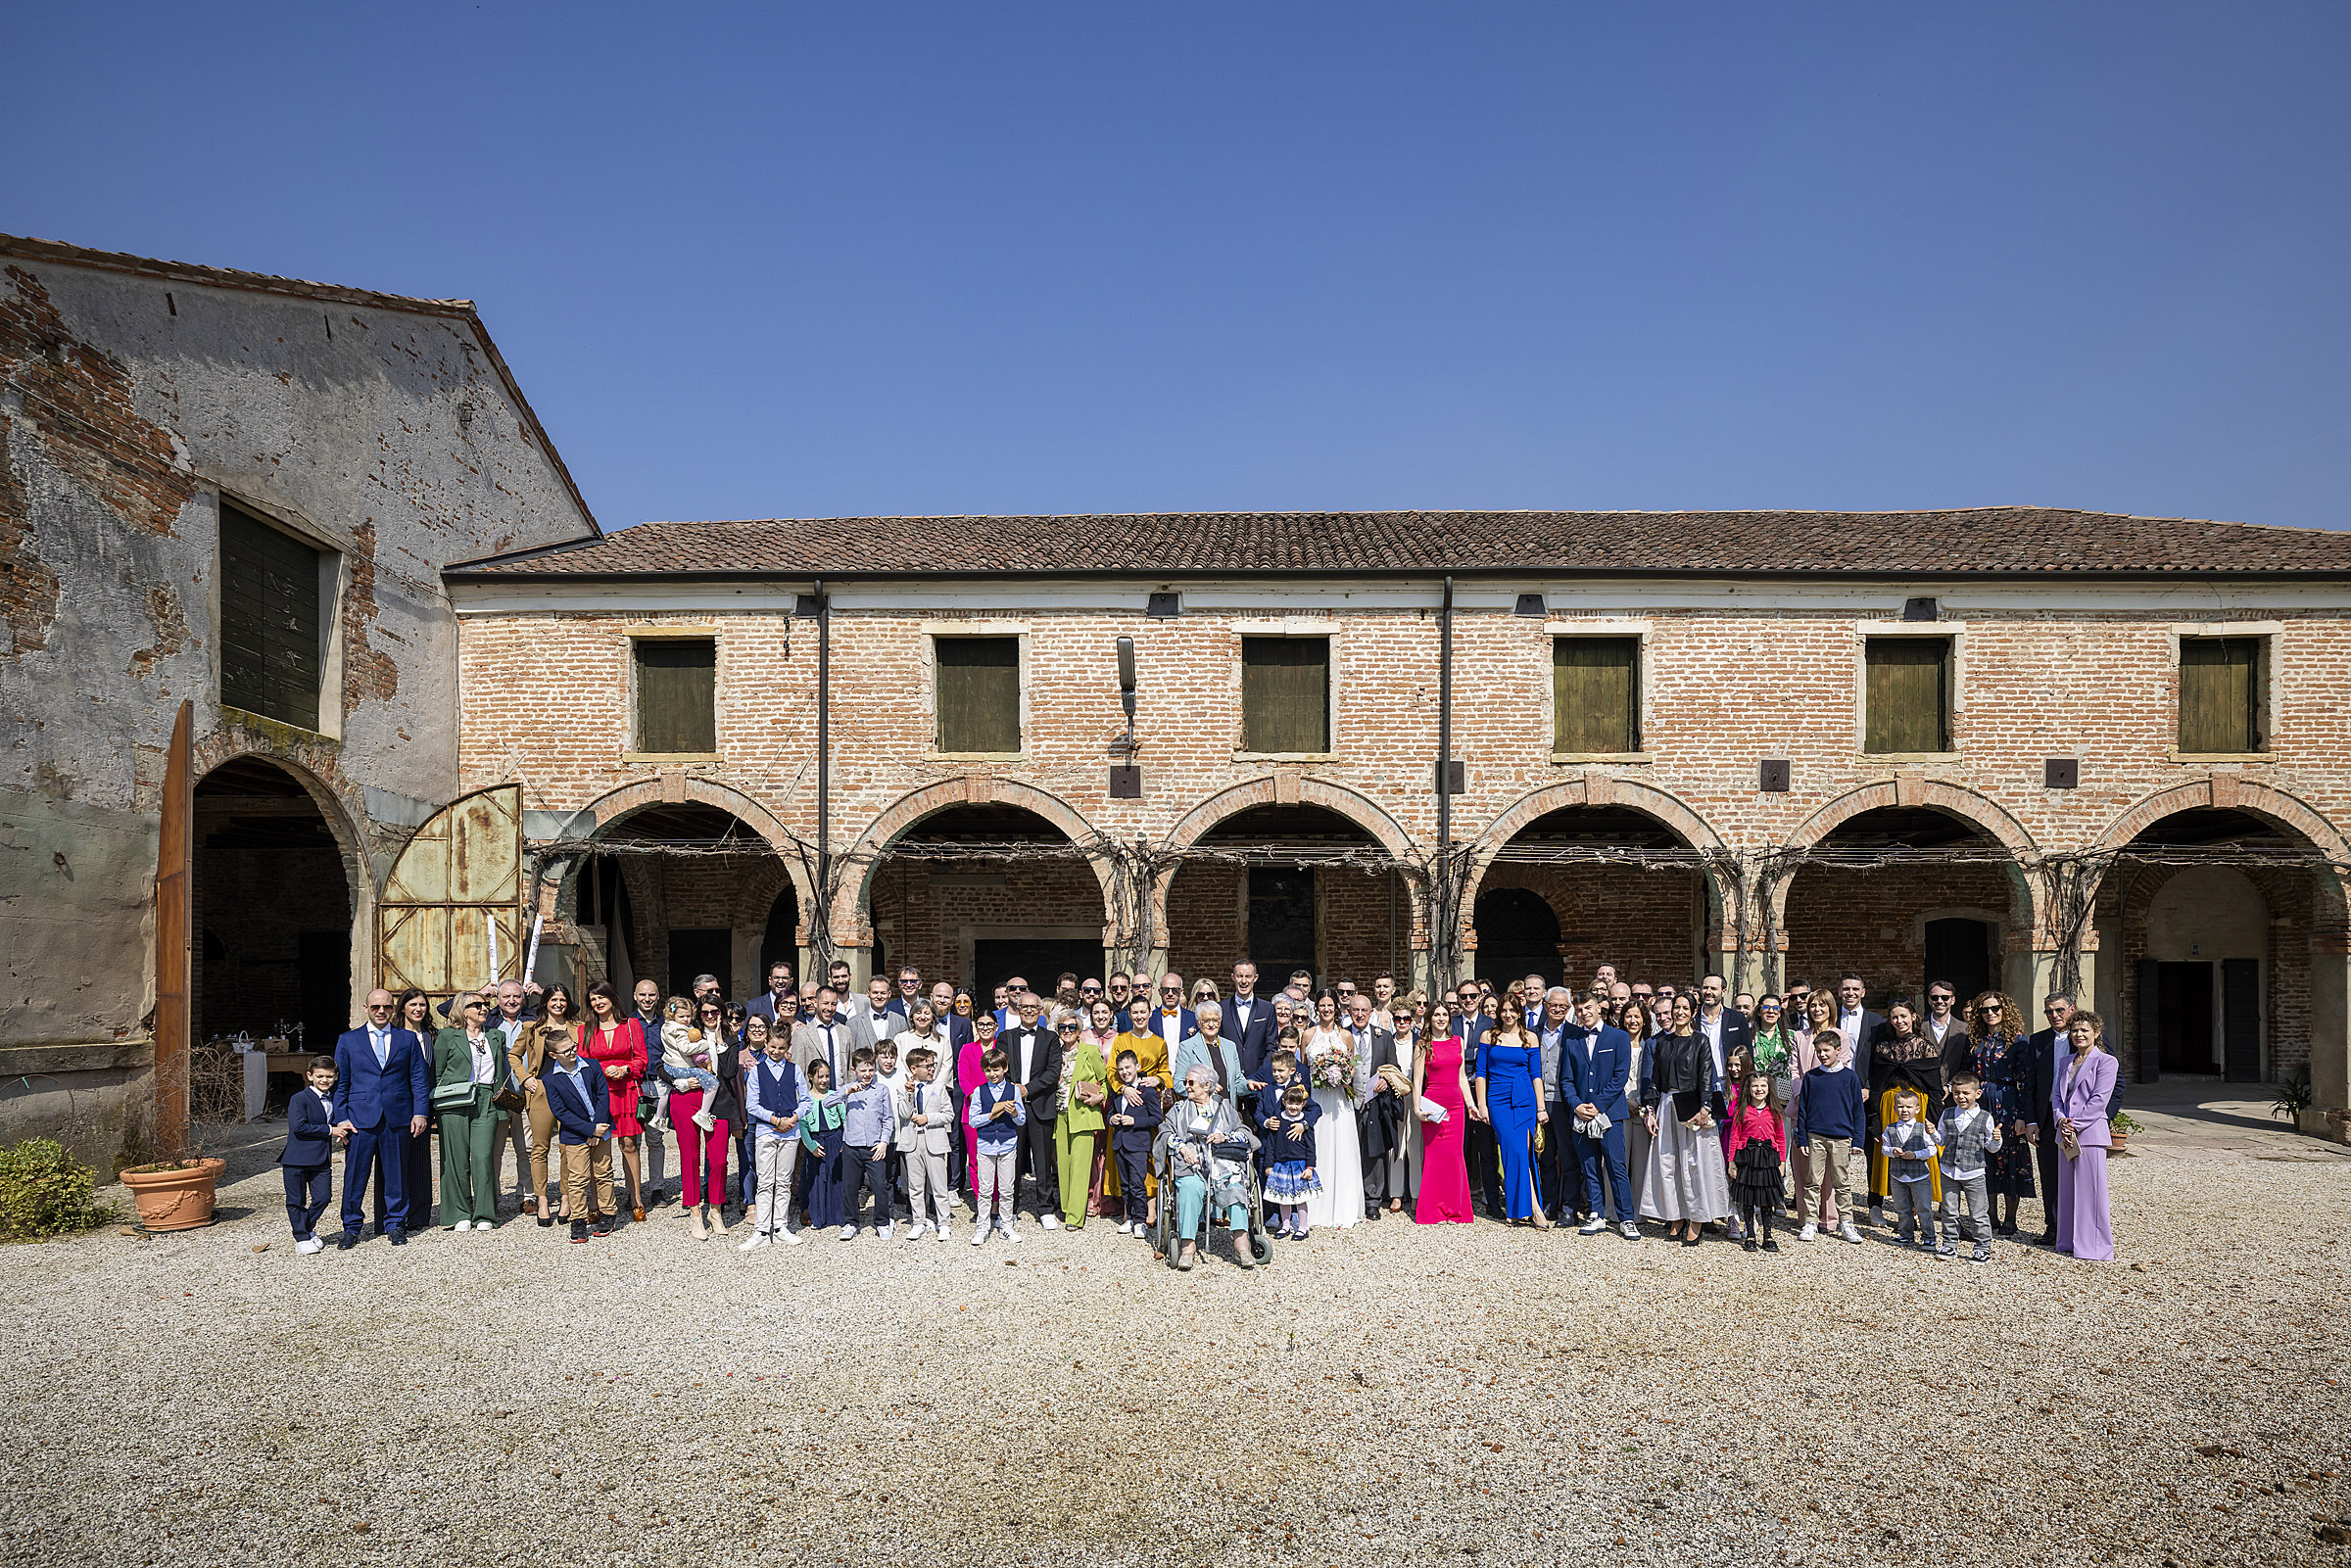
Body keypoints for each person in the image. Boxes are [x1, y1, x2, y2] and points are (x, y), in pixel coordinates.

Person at [331, 988, 430, 1248]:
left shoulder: (407, 1039)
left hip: (397, 1117)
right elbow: (341, 1084)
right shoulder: (348, 1040)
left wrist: (420, 1112)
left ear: (393, 1009)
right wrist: (341, 1118)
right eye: (375, 1007)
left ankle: (395, 1223)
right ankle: (351, 1227)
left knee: (397, 1174)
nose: (381, 1012)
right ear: (366, 1009)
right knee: (355, 1176)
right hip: (359, 1120)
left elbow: (418, 1080)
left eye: (386, 1007)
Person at [1638, 994, 1727, 1246]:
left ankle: (1697, 1218)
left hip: (1692, 1105)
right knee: (1669, 1163)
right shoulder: (1662, 1043)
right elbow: (1654, 1079)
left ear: (1693, 1011)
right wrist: (1650, 1111)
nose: (1679, 1012)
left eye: (1684, 1008)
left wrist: (1705, 1107)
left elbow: (1707, 1075)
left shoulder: (1700, 1041)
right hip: (1667, 1105)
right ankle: (1676, 1216)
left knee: (1694, 1164)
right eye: (1676, 1008)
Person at [1162, 1066, 1261, 1271]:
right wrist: (1181, 1148)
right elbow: (1164, 1134)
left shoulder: (1224, 1107)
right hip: (1192, 1165)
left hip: (1222, 1163)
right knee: (1190, 1187)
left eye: (1191, 1082)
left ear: (1207, 1086)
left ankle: (1242, 1245)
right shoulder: (1179, 1110)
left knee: (1235, 1183)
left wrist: (1226, 1136)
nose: (1186, 1086)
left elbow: (1244, 1132)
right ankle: (1187, 1247)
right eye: (1186, 1082)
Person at [1561, 989, 1639, 1239]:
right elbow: (1566, 1079)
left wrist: (1598, 1105)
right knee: (1589, 1165)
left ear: (1598, 1008)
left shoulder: (1618, 1037)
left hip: (1609, 1114)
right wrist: (1576, 1105)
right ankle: (1596, 1214)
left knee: (1616, 1166)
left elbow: (1620, 1077)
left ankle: (1626, 1218)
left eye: (1588, 1008)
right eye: (1580, 1009)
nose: (1584, 1013)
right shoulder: (1571, 1040)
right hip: (1581, 1114)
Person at [1962, 991, 2037, 1236]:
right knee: (1985, 1158)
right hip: (1980, 1103)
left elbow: (2025, 1081)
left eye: (1995, 1008)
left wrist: (2023, 1116)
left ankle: (2010, 1218)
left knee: (2010, 1158)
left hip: (2007, 1103)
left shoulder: (2018, 1042)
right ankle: (1989, 1216)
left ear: (2005, 1010)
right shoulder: (1975, 1039)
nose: (1990, 1013)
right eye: (1984, 1010)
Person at [429, 991, 504, 1232]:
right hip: (454, 1100)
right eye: (476, 1005)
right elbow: (438, 1073)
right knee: (456, 1158)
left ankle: (485, 1215)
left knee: (483, 1158)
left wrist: (501, 1107)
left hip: (486, 1099)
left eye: (485, 1004)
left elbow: (501, 1075)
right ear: (462, 1009)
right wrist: (439, 1103)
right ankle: (458, 1212)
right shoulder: (447, 1036)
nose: (483, 1008)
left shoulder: (496, 1036)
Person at [1475, 994, 1550, 1228]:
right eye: (1504, 1010)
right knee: (1512, 1153)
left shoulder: (1530, 1038)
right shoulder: (1489, 1036)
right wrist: (1482, 1105)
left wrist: (1541, 1108)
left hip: (1525, 1098)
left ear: (1520, 1013)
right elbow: (1480, 1073)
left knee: (1522, 1154)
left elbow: (1536, 1075)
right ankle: (1532, 1209)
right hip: (1497, 1100)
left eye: (1512, 1011)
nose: (1508, 1015)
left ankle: (1522, 1210)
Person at [1867, 1001, 1944, 1227]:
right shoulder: (1883, 1047)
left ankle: (1919, 1210)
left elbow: (1935, 1088)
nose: (1899, 1021)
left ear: (1913, 1017)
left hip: (1918, 1106)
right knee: (1890, 1154)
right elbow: (1877, 1086)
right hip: (1889, 1105)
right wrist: (1875, 1120)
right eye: (1894, 1017)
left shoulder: (1926, 1046)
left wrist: (1932, 1119)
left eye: (1903, 1016)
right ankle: (1890, 1209)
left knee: (1918, 1155)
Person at [667, 997, 739, 1240]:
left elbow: (729, 1072)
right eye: (705, 1012)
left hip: (718, 1102)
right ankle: (695, 1212)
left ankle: (715, 1210)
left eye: (715, 1011)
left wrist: (718, 1040)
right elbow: (661, 1065)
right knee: (690, 1156)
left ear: (721, 1013)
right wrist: (680, 1082)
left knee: (718, 1159)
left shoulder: (730, 1038)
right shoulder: (686, 1033)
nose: (710, 1016)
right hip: (687, 1095)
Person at [2051, 1010, 2118, 1261]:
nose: (2079, 1035)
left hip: (2089, 1133)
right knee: (2067, 1191)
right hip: (2065, 1133)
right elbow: (2057, 1096)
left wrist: (2075, 1124)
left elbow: (2100, 1100)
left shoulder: (2106, 1062)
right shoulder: (2065, 1061)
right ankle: (2068, 1241)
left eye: (2084, 1030)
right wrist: (2060, 1120)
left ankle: (2095, 1246)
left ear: (2096, 1033)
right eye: (2075, 1030)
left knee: (2091, 1192)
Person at [580, 980, 649, 1220]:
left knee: (629, 1146)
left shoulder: (631, 1025)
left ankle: (636, 1200)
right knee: (598, 1149)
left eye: (602, 997)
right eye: (593, 1000)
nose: (598, 1003)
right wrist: (602, 1070)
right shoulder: (585, 1029)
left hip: (626, 1090)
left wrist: (626, 1069)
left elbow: (642, 1058)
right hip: (599, 1095)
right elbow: (582, 1064)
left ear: (612, 998)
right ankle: (597, 1202)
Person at [541, 1025, 616, 1243]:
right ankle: (578, 1220)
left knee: (603, 1172)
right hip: (574, 1134)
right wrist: (588, 1129)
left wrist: (598, 1127)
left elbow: (603, 1095)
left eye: (573, 1047)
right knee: (577, 1178)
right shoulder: (550, 1079)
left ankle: (608, 1213)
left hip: (601, 1127)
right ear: (553, 1055)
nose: (572, 1052)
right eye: (566, 1051)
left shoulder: (592, 1065)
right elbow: (560, 1112)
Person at [1791, 1028, 1864, 1245]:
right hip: (1815, 1137)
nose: (1822, 1054)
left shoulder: (1850, 1077)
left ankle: (1846, 1222)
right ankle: (1811, 1221)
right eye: (1819, 1051)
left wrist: (1858, 1140)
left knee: (1841, 1181)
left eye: (1827, 1050)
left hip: (1842, 1137)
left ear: (1838, 1050)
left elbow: (1857, 1110)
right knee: (1813, 1180)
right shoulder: (1812, 1077)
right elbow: (1803, 1109)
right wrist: (1802, 1138)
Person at [738, 1017, 805, 1250]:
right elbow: (752, 1105)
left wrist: (793, 1119)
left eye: (781, 1048)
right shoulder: (757, 1072)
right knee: (765, 1181)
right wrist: (775, 1120)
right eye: (773, 1047)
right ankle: (761, 1230)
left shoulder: (795, 1070)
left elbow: (805, 1101)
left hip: (790, 1133)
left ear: (787, 1049)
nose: (776, 1051)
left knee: (784, 1181)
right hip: (766, 1131)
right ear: (766, 1045)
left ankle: (780, 1226)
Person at [1300, 995, 1363, 1231]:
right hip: (1317, 1097)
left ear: (1336, 1008)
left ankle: (1342, 1205)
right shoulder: (1308, 1035)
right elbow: (1304, 1068)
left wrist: (1344, 1076)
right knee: (1318, 1145)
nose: (1326, 1009)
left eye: (1330, 1005)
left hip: (1338, 1101)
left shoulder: (1345, 1035)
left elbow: (1353, 1063)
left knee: (1340, 1146)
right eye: (1322, 1005)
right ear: (1317, 1008)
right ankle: (1315, 1207)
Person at [1001, 993, 1061, 1229]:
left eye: (1033, 1007)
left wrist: (1027, 1089)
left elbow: (1053, 1071)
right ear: (1017, 1008)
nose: (1028, 1011)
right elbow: (999, 1068)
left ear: (1039, 1010)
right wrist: (1013, 1091)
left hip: (1040, 1104)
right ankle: (1010, 1207)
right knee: (1012, 1159)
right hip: (1012, 1107)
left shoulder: (1050, 1038)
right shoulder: (1005, 1037)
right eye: (1023, 1007)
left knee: (1043, 1159)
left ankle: (1045, 1208)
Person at [1413, 1001, 1474, 1225]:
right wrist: (1417, 1108)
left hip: (1456, 1106)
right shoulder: (1422, 1045)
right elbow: (1417, 1080)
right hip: (1433, 1107)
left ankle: (1454, 1210)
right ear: (1429, 1018)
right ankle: (1433, 1210)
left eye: (1444, 1014)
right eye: (1436, 1014)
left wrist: (1471, 1104)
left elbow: (1462, 1078)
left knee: (1455, 1156)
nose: (1441, 1018)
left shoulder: (1458, 1042)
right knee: (1434, 1157)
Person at [1345, 993, 1406, 1219]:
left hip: (1374, 1102)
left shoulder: (1384, 1037)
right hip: (1347, 1101)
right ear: (1349, 1012)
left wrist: (1386, 1080)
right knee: (1349, 1149)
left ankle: (1373, 1200)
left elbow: (1394, 1068)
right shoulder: (1343, 1036)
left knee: (1374, 1151)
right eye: (1355, 1010)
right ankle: (1352, 1196)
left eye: (1364, 1010)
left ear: (1371, 1013)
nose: (1359, 1015)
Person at [1050, 1010, 1110, 1230]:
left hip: (1083, 1113)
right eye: (1063, 1028)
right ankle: (1066, 1208)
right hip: (1060, 1114)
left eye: (1072, 1027)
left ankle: (1076, 1216)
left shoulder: (1090, 1051)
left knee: (1081, 1165)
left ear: (1079, 1031)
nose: (1067, 1031)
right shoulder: (1055, 1052)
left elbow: (1105, 1081)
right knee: (1063, 1164)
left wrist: (1100, 1096)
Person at [1937, 1070, 2002, 1263]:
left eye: (1966, 1093)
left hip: (1974, 1172)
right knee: (1949, 1210)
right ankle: (1949, 1244)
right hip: (1949, 1170)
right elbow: (1941, 1139)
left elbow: (1990, 1147)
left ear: (1977, 1094)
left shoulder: (1985, 1117)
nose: (1961, 1097)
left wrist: (1997, 1140)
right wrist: (1932, 1133)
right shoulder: (1947, 1113)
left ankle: (1983, 1247)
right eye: (1957, 1093)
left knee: (1979, 1212)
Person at [389, 989, 440, 1229]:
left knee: (421, 1160)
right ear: (402, 1008)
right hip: (399, 1104)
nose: (418, 1009)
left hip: (425, 1104)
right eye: (413, 1004)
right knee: (398, 1160)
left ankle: (419, 1215)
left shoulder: (431, 1034)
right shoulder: (393, 1035)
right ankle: (397, 1211)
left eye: (422, 1004)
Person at [279, 1055, 340, 1254]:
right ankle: (301, 1238)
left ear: (336, 1077)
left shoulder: (335, 1098)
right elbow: (299, 1126)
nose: (325, 1080)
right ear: (310, 1076)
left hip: (321, 1159)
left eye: (329, 1076)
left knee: (323, 1197)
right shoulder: (299, 1099)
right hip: (296, 1158)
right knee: (296, 1200)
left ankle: (306, 1228)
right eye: (320, 1076)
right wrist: (331, 1130)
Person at [896, 1045, 957, 1243]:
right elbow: (905, 1114)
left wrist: (928, 1118)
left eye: (933, 1065)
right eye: (927, 1065)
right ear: (914, 1069)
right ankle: (918, 1222)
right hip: (912, 1142)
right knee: (915, 1186)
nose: (932, 1069)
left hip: (934, 1140)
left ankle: (944, 1223)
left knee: (939, 1185)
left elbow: (949, 1114)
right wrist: (908, 1094)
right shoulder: (903, 1087)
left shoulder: (939, 1087)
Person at [965, 1047, 1026, 1244]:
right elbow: (973, 1120)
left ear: (1005, 1069)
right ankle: (982, 1227)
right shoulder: (979, 1091)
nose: (992, 1074)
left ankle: (1006, 1225)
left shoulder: (1014, 1090)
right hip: (986, 1145)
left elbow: (1022, 1119)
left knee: (1007, 1189)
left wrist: (1014, 1113)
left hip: (1008, 1144)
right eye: (988, 1070)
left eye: (996, 1070)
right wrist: (990, 1115)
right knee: (985, 1190)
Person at [836, 1047, 897, 1239]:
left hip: (875, 1147)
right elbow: (828, 1102)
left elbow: (888, 1119)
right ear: (854, 1070)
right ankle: (851, 1222)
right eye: (863, 1070)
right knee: (850, 1186)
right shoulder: (847, 1089)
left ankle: (882, 1222)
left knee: (880, 1184)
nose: (867, 1074)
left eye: (871, 1069)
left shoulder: (882, 1090)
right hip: (851, 1146)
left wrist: (884, 1141)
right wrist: (846, 1092)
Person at [1529, 986, 1578, 1223]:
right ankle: (1549, 1204)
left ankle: (1569, 1208)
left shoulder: (1576, 1034)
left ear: (1568, 1009)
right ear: (1545, 1005)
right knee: (1545, 1156)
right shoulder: (1532, 1033)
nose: (1557, 1009)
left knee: (1568, 1157)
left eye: (1563, 1006)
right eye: (1553, 1005)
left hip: (1564, 1103)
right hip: (1538, 1101)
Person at [1725, 1070, 1786, 1253]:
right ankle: (1750, 1234)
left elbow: (1781, 1138)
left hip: (1768, 1159)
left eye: (1763, 1086)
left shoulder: (1775, 1111)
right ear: (1748, 1089)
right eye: (1755, 1086)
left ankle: (1768, 1235)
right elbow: (1734, 1138)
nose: (1759, 1089)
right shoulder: (1741, 1111)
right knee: (1748, 1199)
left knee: (1767, 1199)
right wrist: (1732, 1162)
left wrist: (1782, 1162)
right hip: (1747, 1158)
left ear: (1769, 1088)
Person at [1106, 1049, 1164, 1237]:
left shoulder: (1147, 1092)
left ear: (1137, 1067)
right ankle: (1129, 1217)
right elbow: (1109, 1113)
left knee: (1137, 1184)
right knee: (1125, 1183)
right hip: (1120, 1142)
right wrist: (1112, 1119)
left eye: (1128, 1067)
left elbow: (1156, 1118)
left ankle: (1140, 1220)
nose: (1124, 1072)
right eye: (1121, 1069)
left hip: (1138, 1144)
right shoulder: (1117, 1092)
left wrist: (1135, 1121)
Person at [1880, 1089, 1941, 1249]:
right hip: (1897, 1176)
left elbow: (1932, 1149)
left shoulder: (1922, 1129)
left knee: (1924, 1208)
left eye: (1908, 1107)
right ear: (1894, 1108)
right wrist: (1892, 1151)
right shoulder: (1890, 1129)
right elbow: (1884, 1148)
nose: (1904, 1110)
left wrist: (1916, 1154)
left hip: (1919, 1176)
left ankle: (1929, 1237)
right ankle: (1906, 1234)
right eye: (1900, 1106)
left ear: (1917, 1109)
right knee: (1901, 1207)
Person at [1260, 1080, 1320, 1239]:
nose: (1293, 1107)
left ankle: (1302, 1227)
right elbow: (1271, 1145)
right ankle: (1285, 1226)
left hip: (1300, 1165)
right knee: (1283, 1199)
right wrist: (1269, 1165)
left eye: (1297, 1104)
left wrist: (1310, 1167)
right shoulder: (1278, 1120)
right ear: (1284, 1102)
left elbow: (1311, 1147)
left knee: (1300, 1199)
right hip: (1281, 1165)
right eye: (1290, 1103)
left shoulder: (1304, 1122)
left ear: (1303, 1104)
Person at [797, 1058, 846, 1234]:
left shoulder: (835, 1096)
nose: (824, 1080)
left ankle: (837, 1216)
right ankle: (818, 1217)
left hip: (834, 1138)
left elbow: (845, 1119)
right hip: (815, 1141)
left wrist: (844, 1141)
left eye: (827, 1076)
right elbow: (802, 1124)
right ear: (810, 1077)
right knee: (816, 1178)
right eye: (820, 1077)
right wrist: (810, 1145)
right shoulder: (806, 1099)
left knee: (836, 1177)